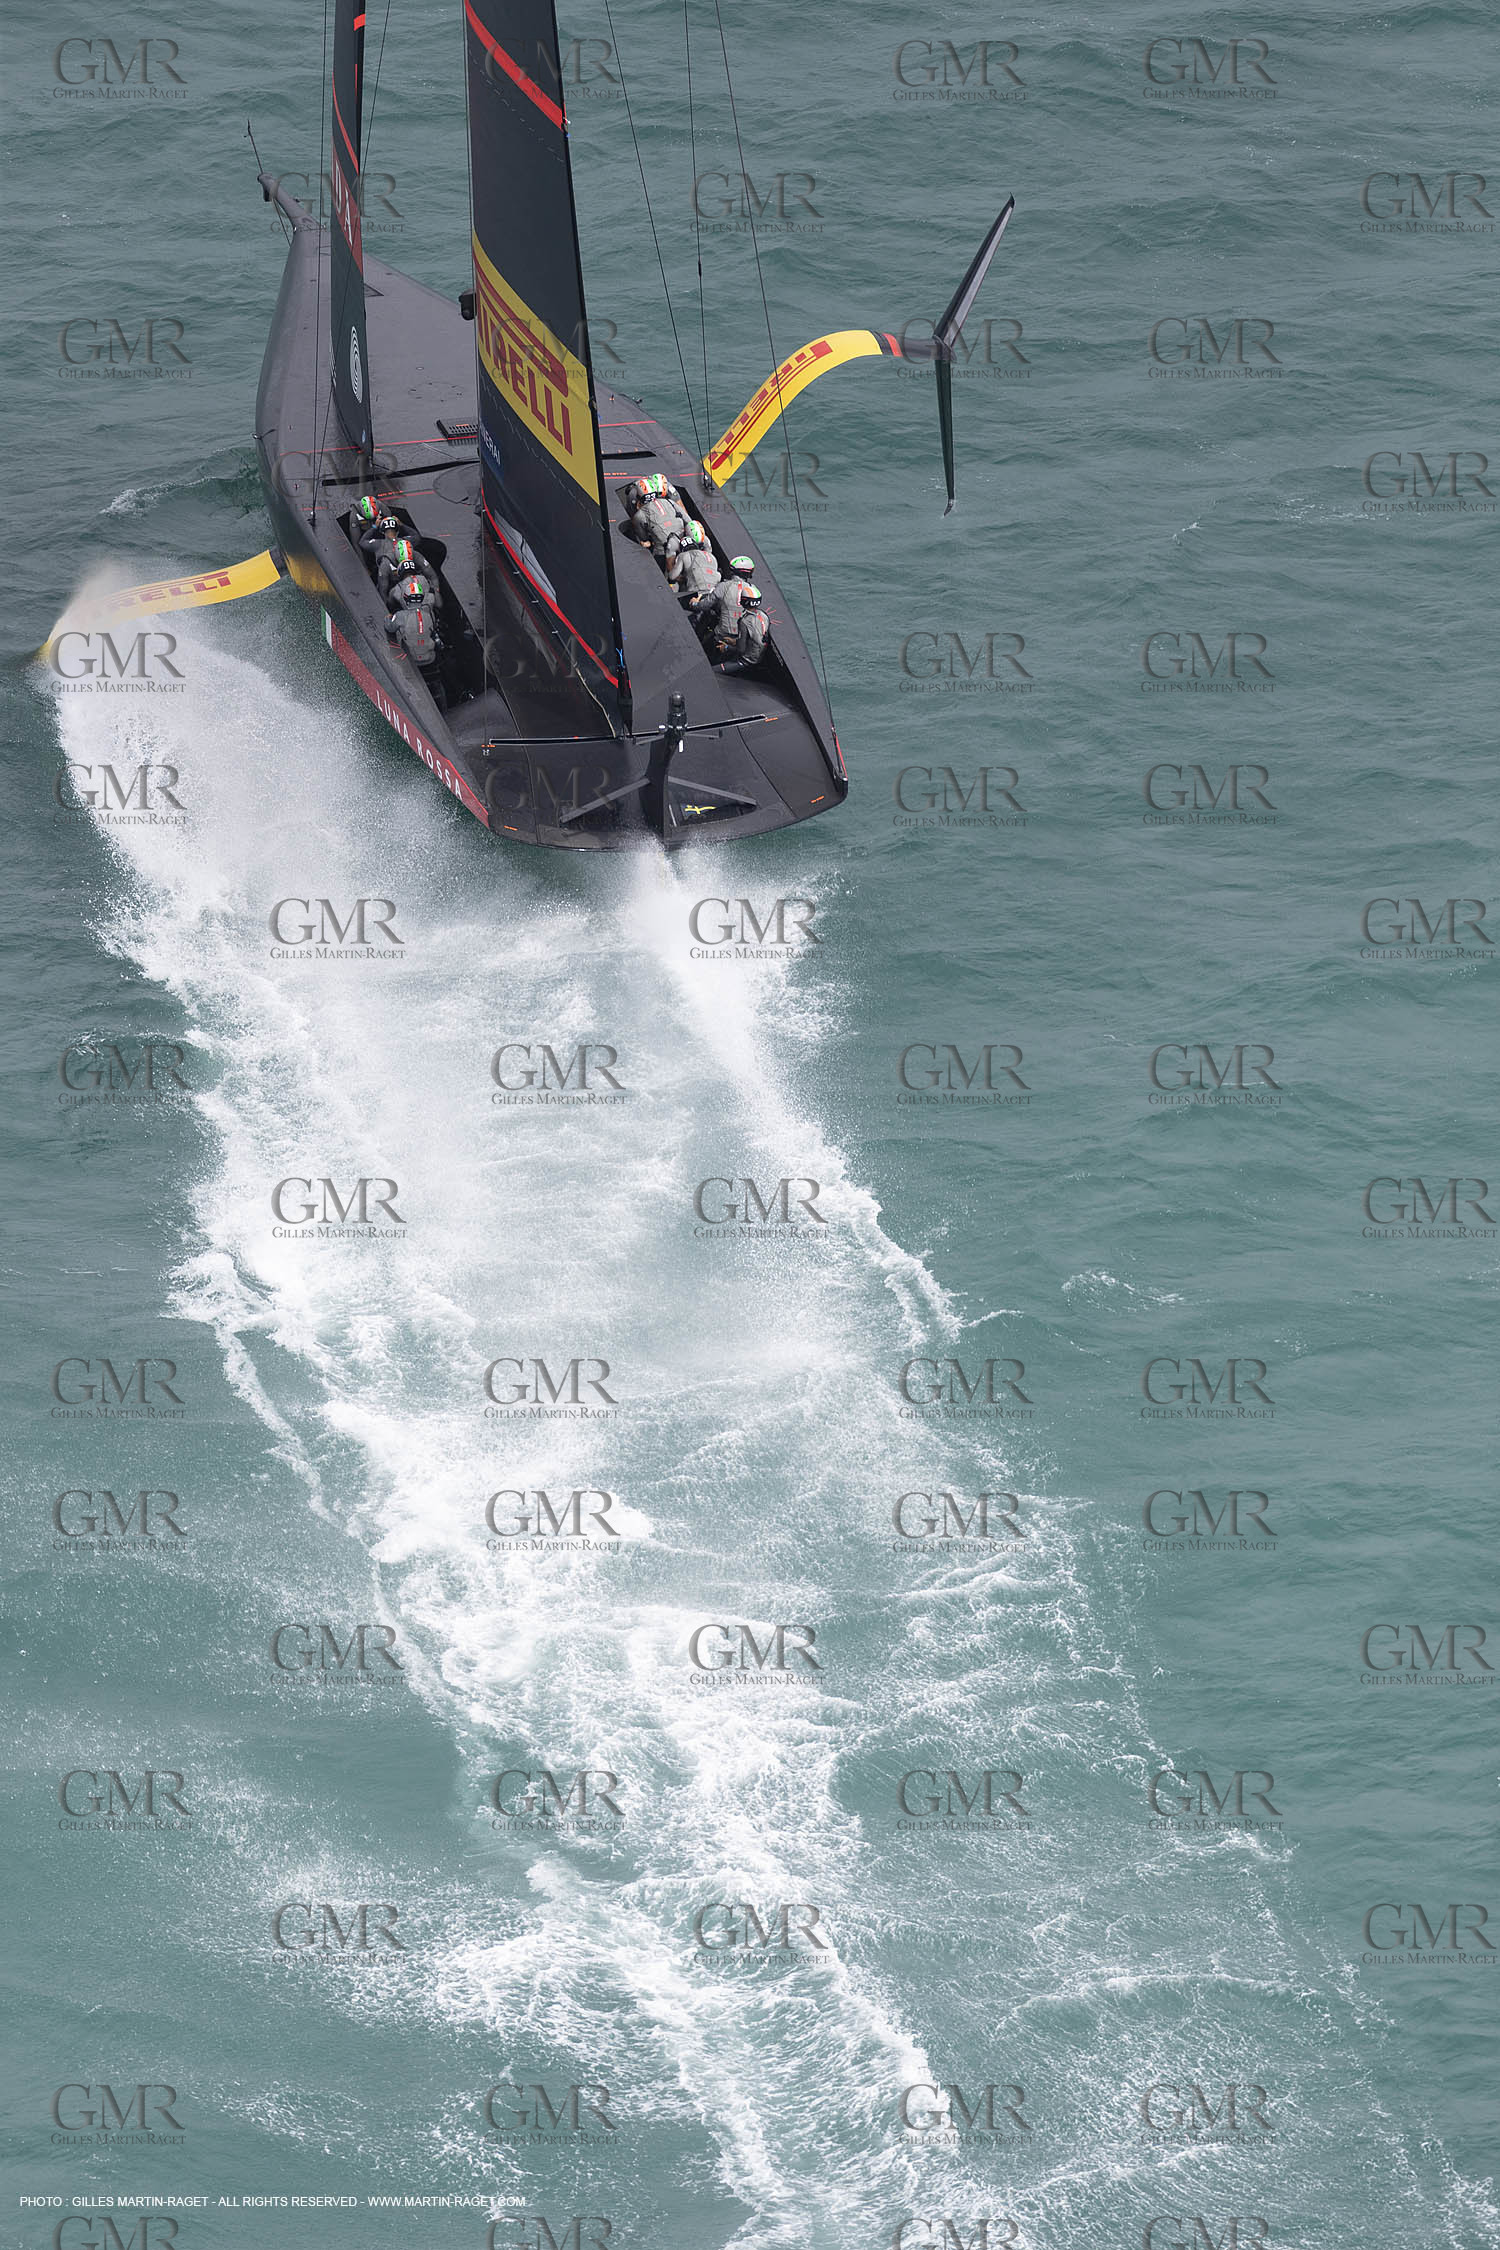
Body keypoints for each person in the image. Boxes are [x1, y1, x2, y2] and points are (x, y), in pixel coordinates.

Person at [694, 559, 757, 654]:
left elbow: (704, 606)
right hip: (741, 638)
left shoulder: (722, 586)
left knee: (703, 645)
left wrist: (694, 603)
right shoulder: (753, 590)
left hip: (721, 634)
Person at [628, 472, 689, 561]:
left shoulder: (670, 493)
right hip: (670, 542)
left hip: (666, 545)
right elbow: (634, 520)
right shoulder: (633, 495)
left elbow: (644, 539)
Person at [666, 521, 720, 604]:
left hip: (696, 590)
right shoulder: (712, 557)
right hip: (713, 589)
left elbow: (672, 576)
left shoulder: (684, 554)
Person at [719, 584, 768, 671]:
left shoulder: (744, 621)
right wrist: (734, 641)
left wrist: (726, 647)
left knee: (714, 670)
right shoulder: (763, 616)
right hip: (759, 657)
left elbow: (741, 650)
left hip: (747, 660)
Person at [377, 535, 427, 603]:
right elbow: (383, 590)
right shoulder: (386, 564)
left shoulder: (417, 556)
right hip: (394, 585)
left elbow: (432, 576)